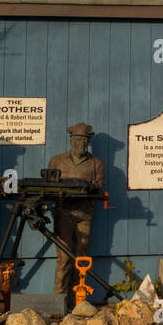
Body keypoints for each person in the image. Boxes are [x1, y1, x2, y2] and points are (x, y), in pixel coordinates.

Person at [48, 122, 104, 301]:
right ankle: (59, 300)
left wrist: (87, 190)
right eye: (78, 140)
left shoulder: (96, 164)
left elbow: (99, 189)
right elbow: (48, 186)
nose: (82, 144)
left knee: (81, 258)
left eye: (85, 140)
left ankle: (77, 298)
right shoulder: (57, 161)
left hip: (85, 214)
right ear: (71, 141)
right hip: (64, 213)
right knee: (64, 257)